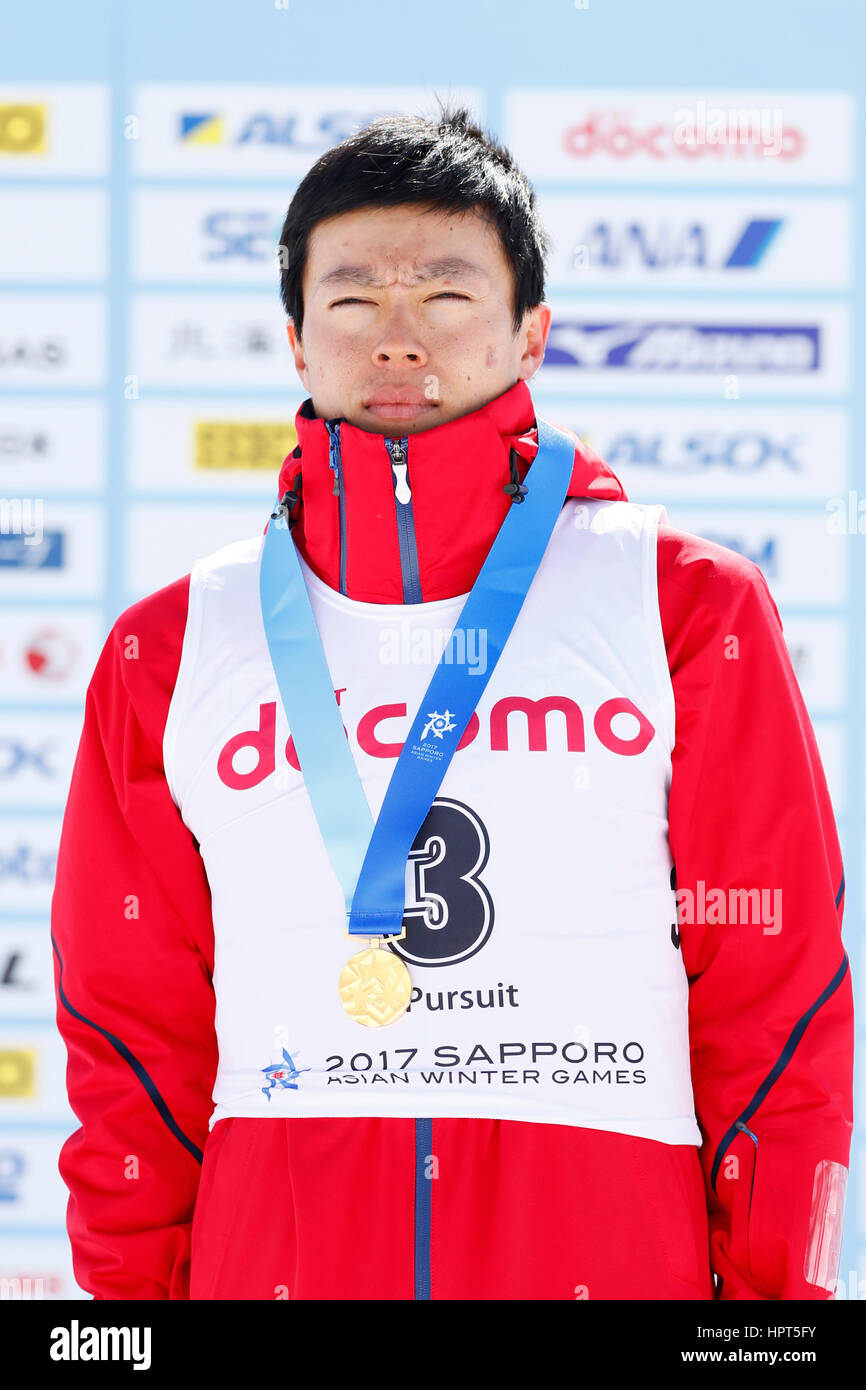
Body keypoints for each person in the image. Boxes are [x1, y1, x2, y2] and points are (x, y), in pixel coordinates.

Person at [51, 105, 853, 1301]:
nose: (396, 339)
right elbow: (130, 1024)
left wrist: (769, 1311)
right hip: (279, 1260)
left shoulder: (682, 604)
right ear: (294, 339)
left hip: (606, 1257)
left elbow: (772, 987)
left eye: (445, 295)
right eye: (354, 299)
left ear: (530, 333)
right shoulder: (170, 646)